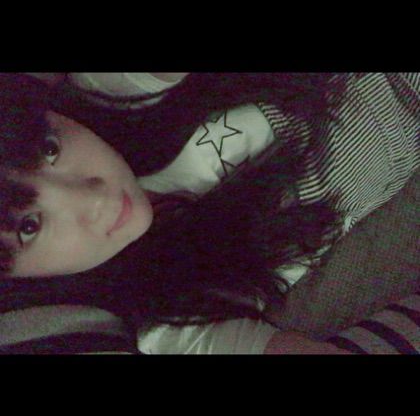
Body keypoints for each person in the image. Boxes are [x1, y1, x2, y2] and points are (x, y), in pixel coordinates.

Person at [0, 72, 418, 354]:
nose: (92, 199)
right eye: (29, 226)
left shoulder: (109, 92)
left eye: (49, 148)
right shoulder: (166, 324)